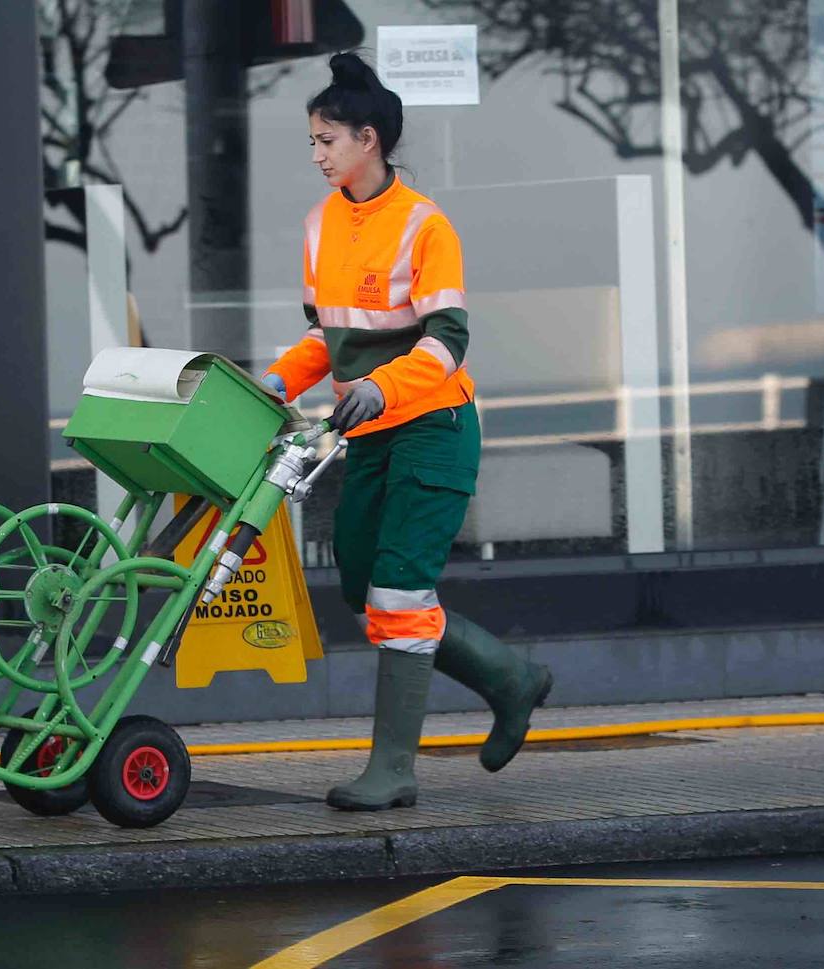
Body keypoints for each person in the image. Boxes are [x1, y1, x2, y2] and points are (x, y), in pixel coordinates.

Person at [261, 53, 553, 811]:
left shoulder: (425, 225)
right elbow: (327, 339)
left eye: (327, 140)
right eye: (313, 143)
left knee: (397, 592)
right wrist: (271, 385)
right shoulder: (321, 226)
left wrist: (384, 386)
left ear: (369, 139)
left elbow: (446, 340)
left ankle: (392, 769)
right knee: (364, 586)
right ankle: (510, 677)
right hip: (373, 433)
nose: (319, 155)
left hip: (434, 427)